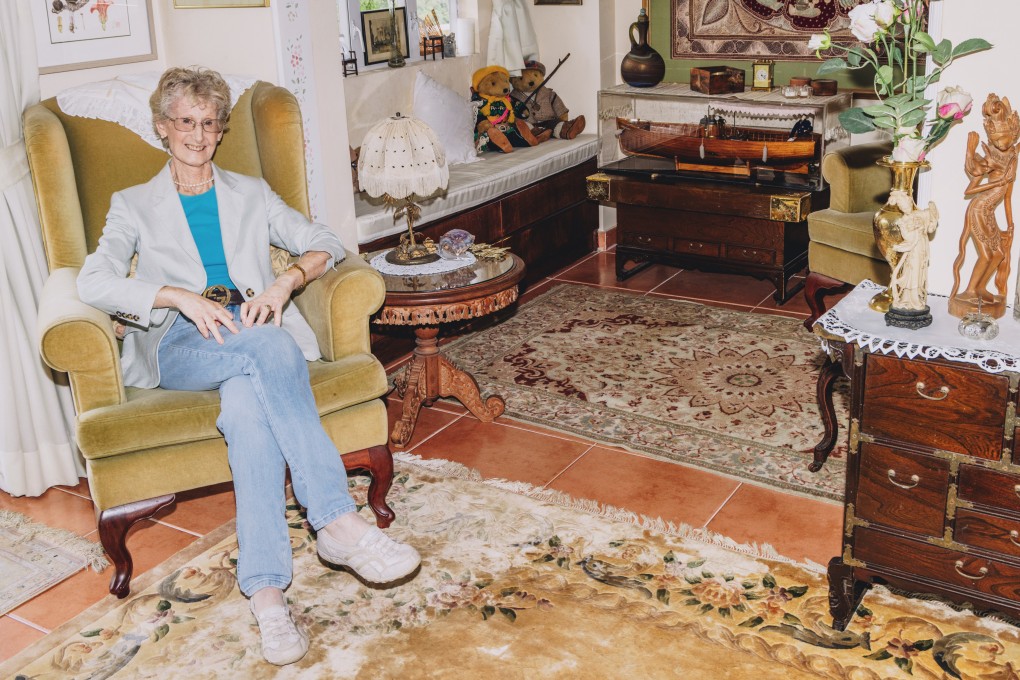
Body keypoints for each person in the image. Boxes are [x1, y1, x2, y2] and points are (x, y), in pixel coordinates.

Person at [77, 66, 420, 667]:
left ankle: (266, 596)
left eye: (209, 123)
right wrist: (177, 297)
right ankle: (336, 521)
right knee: (271, 348)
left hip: (251, 328)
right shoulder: (132, 204)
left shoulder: (250, 193)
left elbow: (324, 241)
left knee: (247, 412)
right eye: (185, 121)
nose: (198, 134)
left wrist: (286, 282)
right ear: (163, 128)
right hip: (180, 343)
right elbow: (93, 278)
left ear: (220, 130)